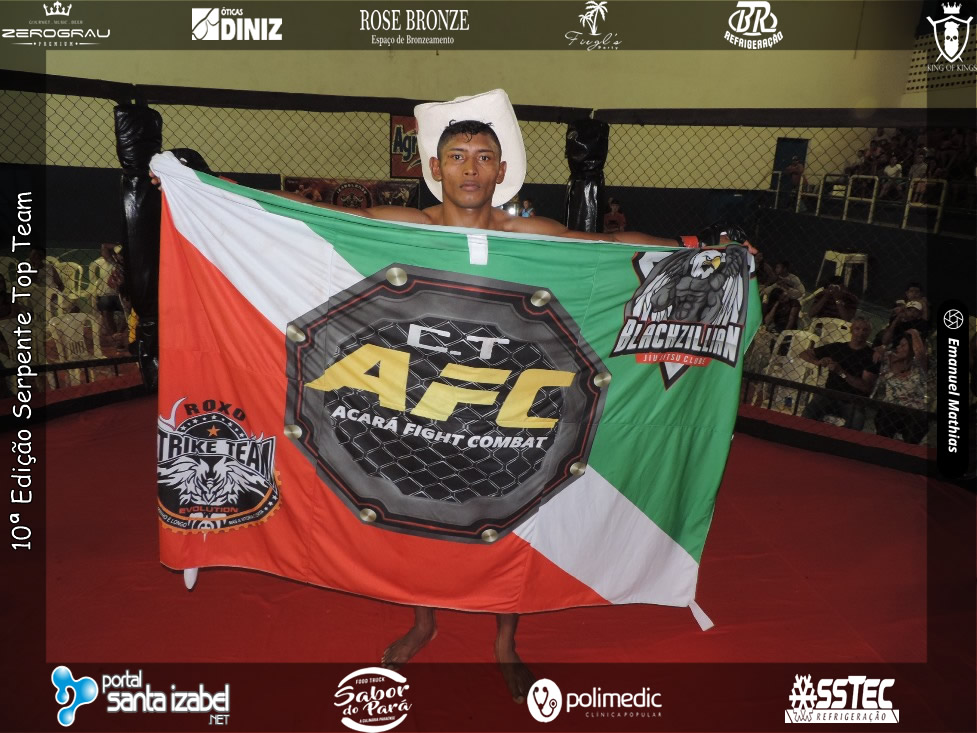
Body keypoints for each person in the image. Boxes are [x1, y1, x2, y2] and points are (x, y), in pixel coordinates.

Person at [155, 89, 754, 704]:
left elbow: (608, 247)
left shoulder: (531, 235)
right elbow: (309, 215)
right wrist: (214, 189)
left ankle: (504, 643)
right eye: (459, 157)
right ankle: (424, 622)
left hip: (506, 401)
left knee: (513, 514)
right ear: (434, 168)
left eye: (484, 157)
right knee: (419, 509)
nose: (471, 169)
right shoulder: (404, 226)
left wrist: (702, 251)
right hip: (413, 397)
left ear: (501, 170)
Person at [799, 317, 878, 430]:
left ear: (869, 333)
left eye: (865, 330)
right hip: (830, 394)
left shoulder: (871, 356)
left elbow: (866, 387)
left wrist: (841, 372)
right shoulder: (837, 347)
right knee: (809, 412)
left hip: (853, 400)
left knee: (856, 421)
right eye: (857, 329)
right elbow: (804, 353)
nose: (861, 333)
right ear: (851, 330)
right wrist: (818, 362)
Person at [872, 329, 928, 443]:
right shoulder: (888, 359)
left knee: (915, 427)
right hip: (890, 408)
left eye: (903, 345)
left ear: (912, 349)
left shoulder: (919, 366)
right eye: (899, 344)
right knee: (884, 421)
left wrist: (914, 333)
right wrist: (880, 348)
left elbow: (920, 353)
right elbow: (876, 350)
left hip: (914, 411)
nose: (898, 347)